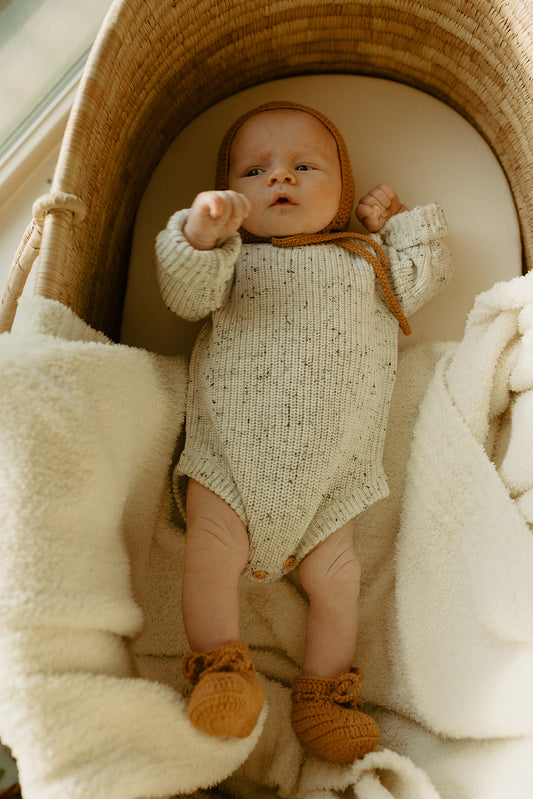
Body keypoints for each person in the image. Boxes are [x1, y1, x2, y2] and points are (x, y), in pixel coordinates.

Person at [155, 100, 453, 763]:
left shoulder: (364, 261)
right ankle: (222, 669)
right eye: (253, 170)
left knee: (337, 580)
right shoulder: (230, 261)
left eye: (302, 166)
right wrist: (199, 232)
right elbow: (183, 292)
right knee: (209, 554)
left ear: (341, 192)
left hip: (330, 480)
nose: (278, 179)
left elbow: (424, 276)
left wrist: (397, 224)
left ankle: (323, 694)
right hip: (229, 459)